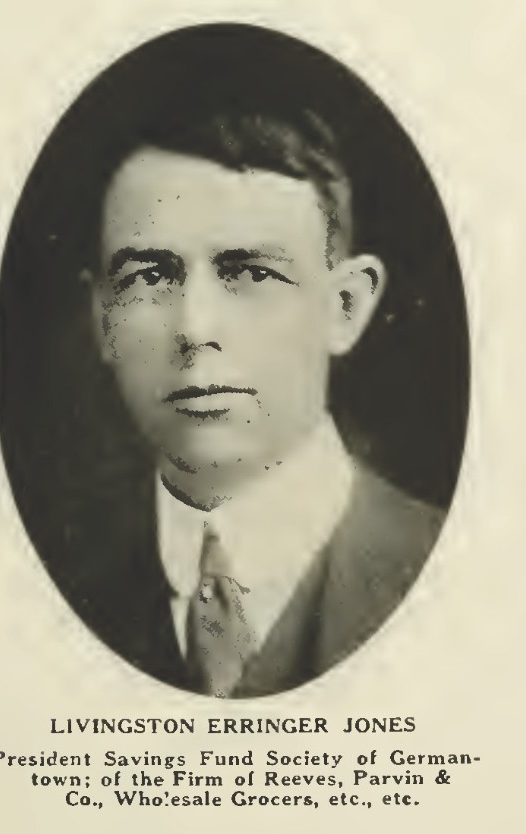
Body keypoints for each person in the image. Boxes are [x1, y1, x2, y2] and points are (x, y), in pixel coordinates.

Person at [69, 104, 442, 697]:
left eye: (251, 274)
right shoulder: (54, 603)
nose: (195, 328)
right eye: (148, 277)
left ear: (344, 307)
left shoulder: (471, 576)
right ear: (104, 321)